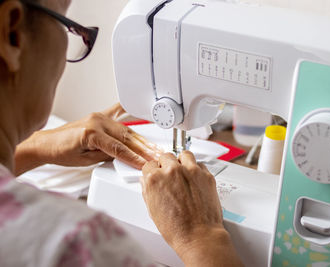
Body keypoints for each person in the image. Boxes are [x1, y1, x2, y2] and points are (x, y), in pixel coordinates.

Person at [0, 0, 244, 266]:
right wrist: (203, 238)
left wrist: (30, 149)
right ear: (12, 34)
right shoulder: (77, 244)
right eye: (66, 25)